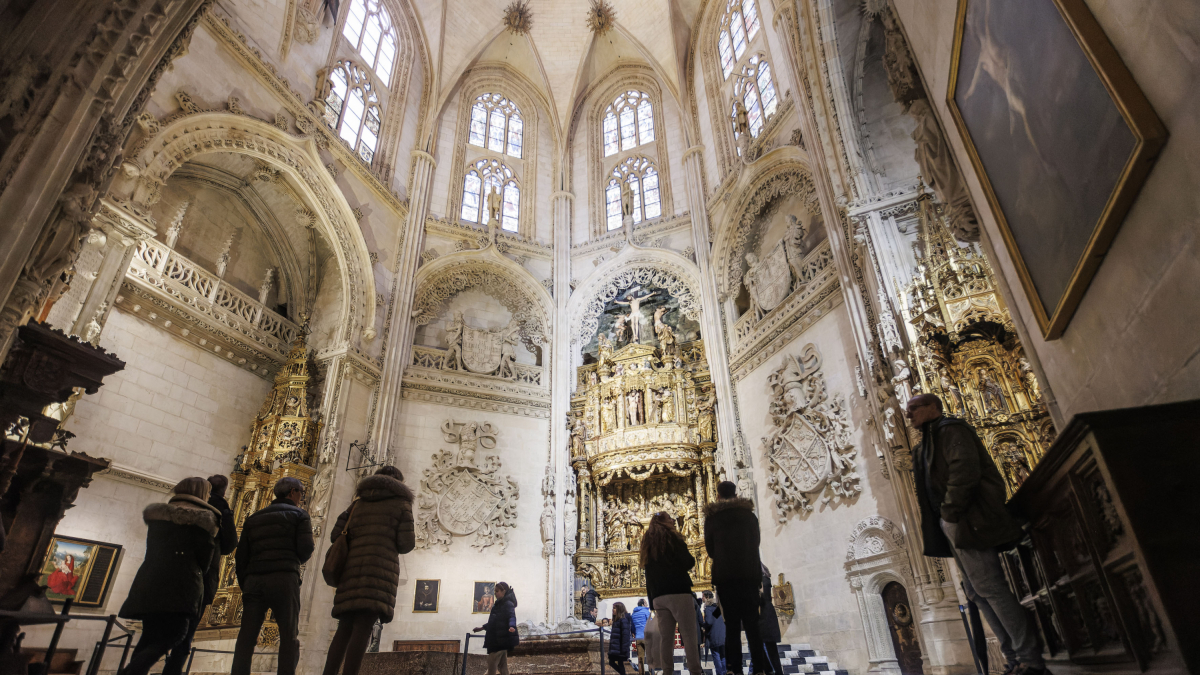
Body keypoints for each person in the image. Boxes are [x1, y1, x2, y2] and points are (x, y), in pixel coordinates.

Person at [906, 394, 1047, 675]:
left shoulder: (951, 430)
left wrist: (949, 512)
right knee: (975, 591)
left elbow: (964, 471)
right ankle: (1014, 658)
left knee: (989, 586)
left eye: (913, 409)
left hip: (968, 519)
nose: (908, 416)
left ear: (932, 407)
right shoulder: (928, 442)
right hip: (954, 522)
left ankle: (1030, 659)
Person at [118, 478, 221, 675]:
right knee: (177, 633)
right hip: (182, 585)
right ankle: (129, 672)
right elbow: (204, 560)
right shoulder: (204, 520)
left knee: (148, 637)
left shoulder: (158, 517)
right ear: (201, 493)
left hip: (151, 580)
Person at [322, 465, 416, 675]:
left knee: (343, 629)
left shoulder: (357, 504)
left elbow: (335, 536)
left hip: (351, 575)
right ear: (399, 483)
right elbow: (406, 544)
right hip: (379, 576)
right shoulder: (401, 504)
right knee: (362, 631)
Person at [232, 477, 315, 675]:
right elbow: (306, 549)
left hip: (255, 580)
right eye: (301, 493)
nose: (301, 497)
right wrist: (290, 562)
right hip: (284, 579)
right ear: (293, 492)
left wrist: (247, 581)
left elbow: (241, 555)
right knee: (289, 634)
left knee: (247, 636)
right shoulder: (300, 516)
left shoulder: (254, 518)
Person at [161, 475, 240, 675]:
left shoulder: (168, 511)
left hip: (167, 576)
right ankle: (172, 671)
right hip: (198, 578)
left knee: (158, 633)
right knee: (186, 632)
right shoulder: (214, 513)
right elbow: (228, 544)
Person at [703, 481, 771, 675]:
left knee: (731, 625)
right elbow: (756, 542)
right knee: (752, 624)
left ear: (718, 495)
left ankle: (734, 669)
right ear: (736, 493)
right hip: (748, 575)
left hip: (726, 577)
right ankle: (759, 669)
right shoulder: (748, 516)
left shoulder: (713, 519)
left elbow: (710, 550)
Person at [640, 511, 702, 675]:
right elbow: (688, 561)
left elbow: (648, 574)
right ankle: (695, 671)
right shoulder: (673, 538)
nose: (673, 521)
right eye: (670, 519)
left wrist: (652, 599)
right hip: (679, 591)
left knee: (666, 639)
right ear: (664, 522)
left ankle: (667, 671)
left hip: (659, 596)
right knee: (688, 635)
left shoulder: (648, 543)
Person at [473, 581, 518, 675]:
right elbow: (494, 621)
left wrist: (512, 626)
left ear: (503, 591)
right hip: (499, 641)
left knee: (491, 668)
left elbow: (511, 616)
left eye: (497, 591)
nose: (495, 594)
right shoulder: (498, 604)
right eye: (495, 592)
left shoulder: (507, 603)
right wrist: (482, 627)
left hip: (498, 641)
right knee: (503, 668)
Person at [759, 564, 783, 675]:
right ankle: (776, 671)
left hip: (763, 614)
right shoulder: (766, 578)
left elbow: (761, 597)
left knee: (760, 646)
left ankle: (770, 670)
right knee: (771, 648)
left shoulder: (761, 581)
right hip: (769, 612)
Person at [702, 591, 727, 675]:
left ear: (706, 597)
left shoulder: (708, 608)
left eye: (703, 596)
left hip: (714, 636)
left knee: (716, 656)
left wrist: (703, 626)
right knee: (723, 656)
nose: (702, 598)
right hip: (721, 635)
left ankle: (720, 673)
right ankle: (724, 672)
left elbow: (709, 621)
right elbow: (717, 620)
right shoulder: (717, 607)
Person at [608, 602, 634, 675]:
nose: (613, 610)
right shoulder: (617, 620)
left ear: (619, 609)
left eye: (614, 608)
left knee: (617, 663)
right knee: (613, 662)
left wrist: (624, 649)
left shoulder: (623, 620)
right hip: (617, 647)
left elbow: (625, 635)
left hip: (620, 648)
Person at [631, 599, 651, 673]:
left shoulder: (633, 614)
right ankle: (651, 673)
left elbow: (632, 626)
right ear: (643, 604)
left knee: (640, 658)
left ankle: (641, 673)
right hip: (646, 637)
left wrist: (634, 632)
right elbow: (650, 622)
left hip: (638, 637)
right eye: (646, 603)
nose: (647, 605)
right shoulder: (646, 611)